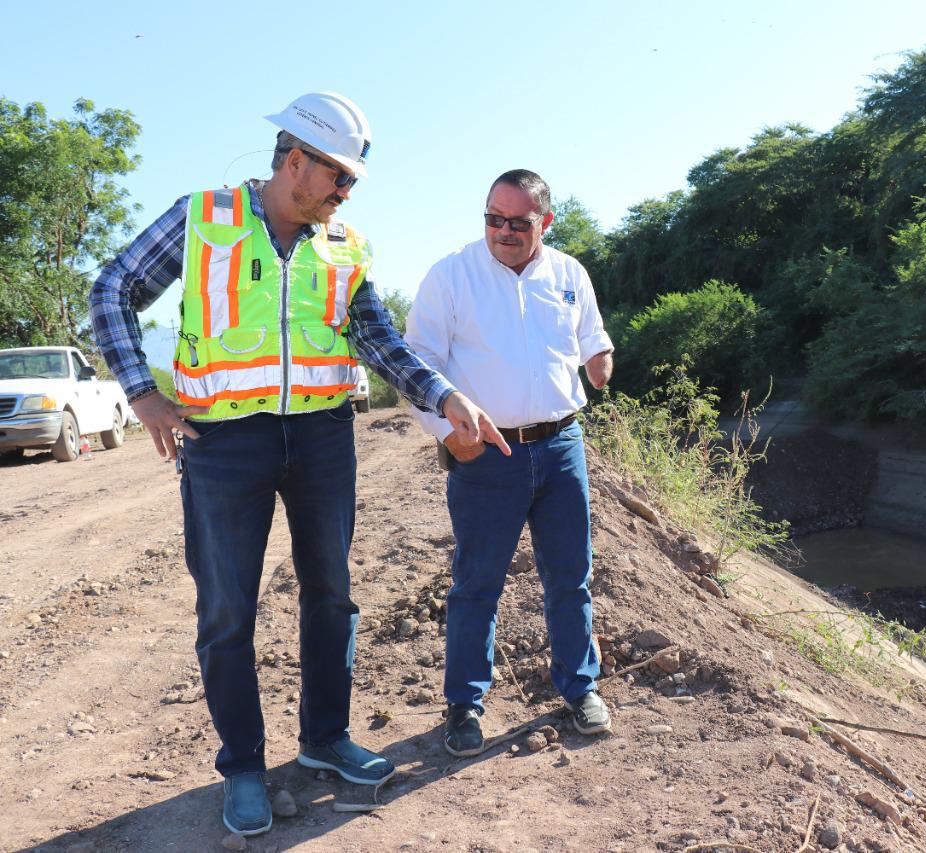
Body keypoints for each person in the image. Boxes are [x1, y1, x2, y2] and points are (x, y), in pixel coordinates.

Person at [89, 93, 509, 837]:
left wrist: (446, 398)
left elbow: (378, 339)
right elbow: (113, 286)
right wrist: (141, 393)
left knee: (332, 593)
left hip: (320, 437)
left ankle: (324, 739)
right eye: (339, 179)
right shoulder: (203, 218)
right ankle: (244, 765)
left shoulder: (343, 243)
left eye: (350, 184)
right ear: (295, 162)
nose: (344, 195)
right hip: (223, 444)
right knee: (227, 609)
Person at [405, 169, 615, 757]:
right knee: (477, 584)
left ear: (544, 222)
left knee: (571, 577)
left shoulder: (570, 274)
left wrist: (601, 360)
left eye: (517, 222)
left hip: (561, 447)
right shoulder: (452, 276)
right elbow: (416, 362)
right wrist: (447, 432)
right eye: (493, 218)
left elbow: (591, 337)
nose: (502, 230)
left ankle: (580, 689)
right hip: (486, 455)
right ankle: (465, 706)